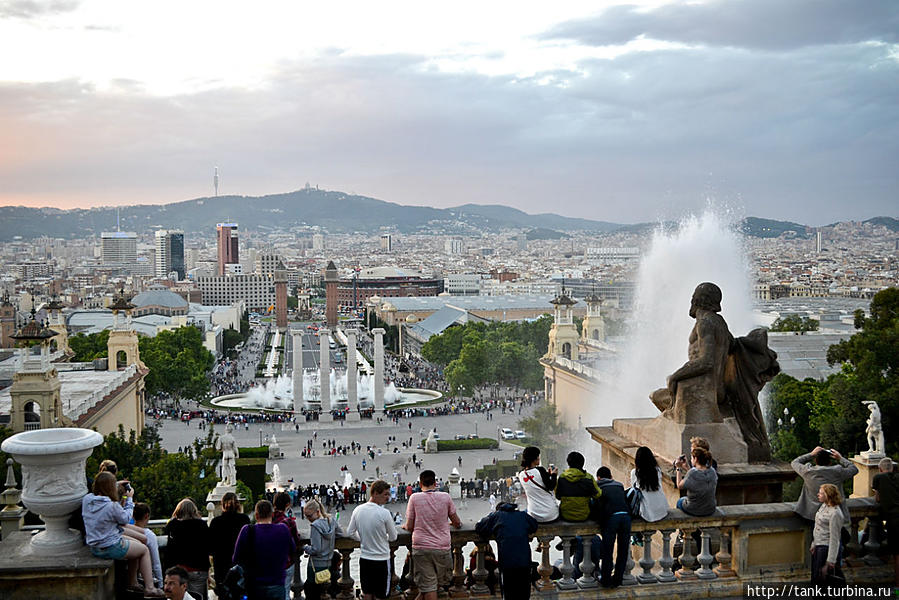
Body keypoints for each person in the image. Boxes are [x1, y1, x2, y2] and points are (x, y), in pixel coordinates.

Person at [82, 471, 165, 598]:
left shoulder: (87, 500)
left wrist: (116, 484)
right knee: (144, 550)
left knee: (137, 544)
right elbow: (125, 519)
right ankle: (150, 588)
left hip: (95, 546)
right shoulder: (111, 506)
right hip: (110, 546)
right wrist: (129, 498)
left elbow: (102, 490)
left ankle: (133, 582)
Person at [402, 469, 462, 600]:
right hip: (442, 547)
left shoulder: (414, 498)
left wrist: (405, 526)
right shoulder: (445, 497)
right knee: (431, 587)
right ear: (435, 483)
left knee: (428, 587)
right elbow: (457, 522)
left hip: (422, 547)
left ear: (420, 483)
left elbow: (410, 525)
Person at [233, 500, 296, 600]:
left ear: (256, 515)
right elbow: (293, 551)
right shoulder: (283, 529)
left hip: (254, 585)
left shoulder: (247, 530)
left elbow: (235, 558)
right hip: (277, 583)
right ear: (272, 514)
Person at [346, 480, 398, 600]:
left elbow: (350, 532)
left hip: (365, 559)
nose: (388, 497)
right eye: (385, 494)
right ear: (375, 493)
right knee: (381, 595)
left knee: (367, 593)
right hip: (381, 559)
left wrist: (363, 539)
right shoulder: (384, 513)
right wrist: (383, 538)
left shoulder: (358, 510)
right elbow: (393, 537)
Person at [475, 501, 537, 599]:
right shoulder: (522, 515)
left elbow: (480, 527)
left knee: (509, 593)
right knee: (524, 593)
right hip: (524, 560)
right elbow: (534, 526)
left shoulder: (496, 516)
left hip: (507, 561)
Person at [792, 446, 858, 525]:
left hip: (812, 515)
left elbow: (794, 462)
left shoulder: (808, 471)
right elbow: (854, 469)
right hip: (834, 514)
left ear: (815, 460)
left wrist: (811, 454)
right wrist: (840, 458)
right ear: (830, 462)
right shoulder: (837, 472)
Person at [163, 499, 211, 600]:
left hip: (178, 572)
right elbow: (208, 547)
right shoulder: (202, 525)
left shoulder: (173, 525)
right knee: (197, 597)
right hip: (199, 569)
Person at [209, 492, 251, 599]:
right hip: (241, 565)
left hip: (221, 567)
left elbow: (210, 547)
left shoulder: (215, 522)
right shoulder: (244, 520)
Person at [595, 467, 631, 588]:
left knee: (607, 550)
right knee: (623, 549)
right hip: (626, 517)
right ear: (611, 476)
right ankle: (617, 579)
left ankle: (606, 580)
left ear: (598, 477)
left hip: (611, 519)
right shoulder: (619, 485)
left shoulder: (598, 486)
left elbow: (597, 506)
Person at [303, 499, 344, 600]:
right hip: (328, 564)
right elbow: (340, 533)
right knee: (321, 592)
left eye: (309, 516)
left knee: (310, 591)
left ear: (317, 512)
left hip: (315, 565)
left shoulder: (315, 526)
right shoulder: (331, 520)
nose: (308, 519)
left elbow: (315, 549)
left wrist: (304, 547)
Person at [810, 484, 844, 585]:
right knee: (816, 577)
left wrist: (830, 561)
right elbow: (818, 527)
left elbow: (835, 538)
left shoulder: (835, 513)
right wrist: (814, 543)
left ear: (828, 495)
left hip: (826, 548)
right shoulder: (824, 505)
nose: (818, 495)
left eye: (821, 493)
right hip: (819, 546)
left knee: (822, 579)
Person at [872, 458, 899, 587]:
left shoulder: (878, 478)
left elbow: (877, 498)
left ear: (880, 469)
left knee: (897, 555)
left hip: (894, 519)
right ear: (892, 469)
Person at [555, 451, 601, 522]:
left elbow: (558, 496)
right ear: (583, 463)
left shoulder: (562, 477)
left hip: (566, 515)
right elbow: (598, 494)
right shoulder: (589, 478)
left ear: (568, 463)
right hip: (584, 515)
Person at [272, 492, 302, 600]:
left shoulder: (267, 520)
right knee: (285, 592)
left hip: (268, 563)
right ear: (287, 505)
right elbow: (296, 541)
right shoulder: (289, 522)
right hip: (286, 562)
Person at [517, 446, 559, 523]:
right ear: (535, 458)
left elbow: (536, 482)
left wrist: (547, 475)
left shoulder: (521, 474)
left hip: (534, 515)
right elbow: (551, 486)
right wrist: (554, 475)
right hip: (551, 515)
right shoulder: (541, 470)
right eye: (538, 456)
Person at [629, 446, 669, 522]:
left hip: (648, 513)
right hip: (662, 510)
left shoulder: (635, 473)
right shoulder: (657, 471)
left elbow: (634, 491)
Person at [675, 447, 718, 516]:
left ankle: (684, 524)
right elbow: (696, 476)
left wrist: (678, 468)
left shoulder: (692, 473)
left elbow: (679, 485)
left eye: (692, 458)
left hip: (695, 509)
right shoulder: (712, 471)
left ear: (696, 459)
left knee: (680, 501)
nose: (691, 460)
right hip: (710, 509)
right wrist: (687, 468)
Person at [134, 502, 163, 589]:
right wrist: (160, 583)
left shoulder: (129, 531)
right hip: (147, 579)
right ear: (147, 515)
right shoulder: (149, 535)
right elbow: (156, 562)